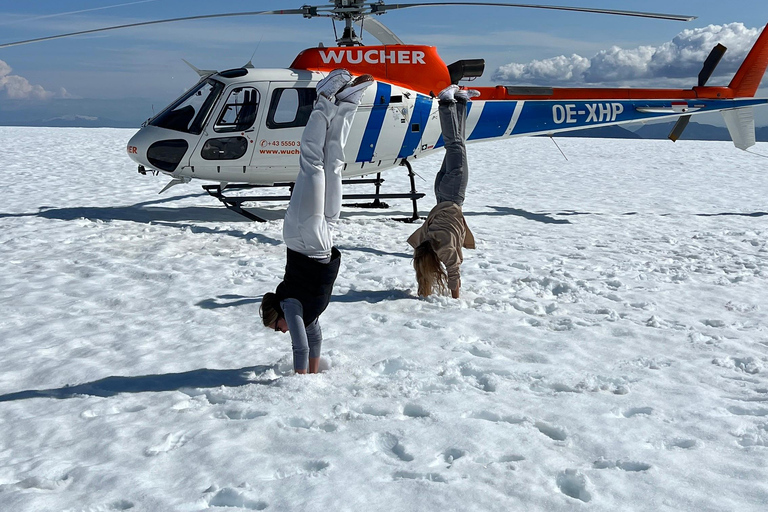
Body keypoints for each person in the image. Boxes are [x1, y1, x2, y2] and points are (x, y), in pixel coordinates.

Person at [260, 69, 373, 374]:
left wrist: (300, 384)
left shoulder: (291, 306)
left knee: (313, 164)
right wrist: (313, 371)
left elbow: (300, 345)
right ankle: (347, 104)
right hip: (322, 239)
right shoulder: (306, 313)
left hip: (302, 235)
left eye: (276, 328)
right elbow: (314, 339)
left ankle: (323, 98)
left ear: (276, 315)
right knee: (334, 166)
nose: (282, 331)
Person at [407, 84, 477, 299]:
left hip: (453, 194)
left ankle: (446, 103)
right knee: (458, 146)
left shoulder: (445, 248)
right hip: (441, 193)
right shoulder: (425, 240)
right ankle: (461, 101)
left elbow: (453, 272)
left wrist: (455, 296)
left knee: (455, 146)